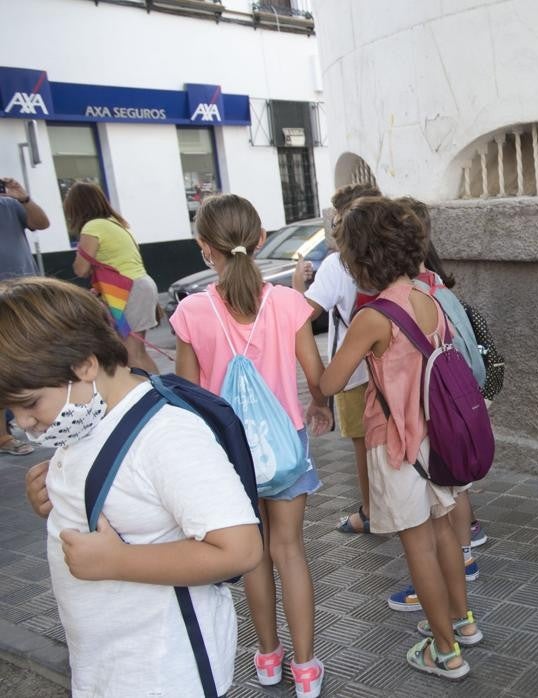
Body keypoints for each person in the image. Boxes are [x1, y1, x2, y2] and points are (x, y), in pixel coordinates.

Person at [4, 276, 261, 696]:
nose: (24, 423)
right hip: (107, 663)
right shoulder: (87, 414)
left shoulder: (168, 436)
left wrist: (116, 562)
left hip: (164, 671)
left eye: (29, 403)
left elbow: (241, 549)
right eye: (10, 409)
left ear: (84, 365)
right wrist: (57, 496)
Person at [170, 194, 332, 698]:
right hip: (286, 446)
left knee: (254, 555)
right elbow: (315, 375)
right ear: (261, 241)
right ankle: (306, 669)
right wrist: (320, 406)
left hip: (226, 457)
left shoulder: (193, 311)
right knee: (290, 551)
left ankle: (266, 658)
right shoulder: (287, 303)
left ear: (204, 248)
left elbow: (188, 395)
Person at [320, 196, 480, 681]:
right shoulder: (429, 298)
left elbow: (331, 383)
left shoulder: (374, 317)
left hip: (397, 446)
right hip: (438, 437)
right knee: (445, 532)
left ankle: (446, 651)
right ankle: (462, 621)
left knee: (418, 547)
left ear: (362, 259)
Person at [383, 196, 487, 614]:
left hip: (434, 414)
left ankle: (456, 574)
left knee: (442, 504)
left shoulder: (419, 293)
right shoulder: (436, 285)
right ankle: (460, 576)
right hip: (451, 408)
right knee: (451, 494)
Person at [293, 183, 380, 537]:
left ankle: (372, 511)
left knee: (364, 446)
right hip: (395, 368)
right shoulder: (392, 255)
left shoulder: (337, 264)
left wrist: (298, 287)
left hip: (353, 371)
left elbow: (301, 315)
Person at [65, 182, 161, 373]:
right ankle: (158, 391)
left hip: (129, 290)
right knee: (136, 351)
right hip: (138, 286)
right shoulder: (114, 223)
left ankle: (157, 394)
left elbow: (81, 269)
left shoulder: (93, 227)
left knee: (132, 353)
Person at [0, 176, 50, 457]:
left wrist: (23, 198)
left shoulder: (10, 205)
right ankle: (4, 437)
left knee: (30, 360)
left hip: (25, 294)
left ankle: (30, 416)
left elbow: (42, 223)